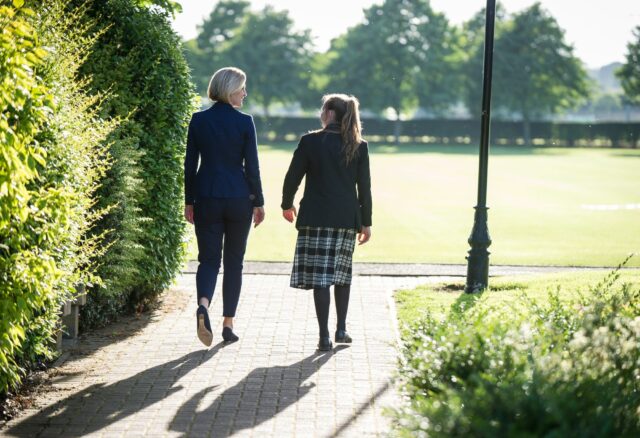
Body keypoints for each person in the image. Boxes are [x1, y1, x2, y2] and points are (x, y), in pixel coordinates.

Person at [281, 93, 372, 351]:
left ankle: (324, 337)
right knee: (342, 276)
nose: (321, 114)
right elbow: (364, 189)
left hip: (316, 217)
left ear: (330, 113)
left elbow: (292, 177)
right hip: (346, 218)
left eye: (323, 109)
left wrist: (287, 204)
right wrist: (366, 223)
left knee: (321, 277)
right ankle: (341, 329)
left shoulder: (310, 142)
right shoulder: (359, 145)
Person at [184, 67, 265, 347]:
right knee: (234, 262)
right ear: (230, 90)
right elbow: (252, 166)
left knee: (208, 259)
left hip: (206, 196)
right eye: (242, 88)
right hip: (239, 199)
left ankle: (203, 305)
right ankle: (228, 324)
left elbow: (190, 165)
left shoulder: (198, 121)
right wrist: (260, 202)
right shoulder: (245, 122)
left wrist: (188, 200)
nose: (245, 93)